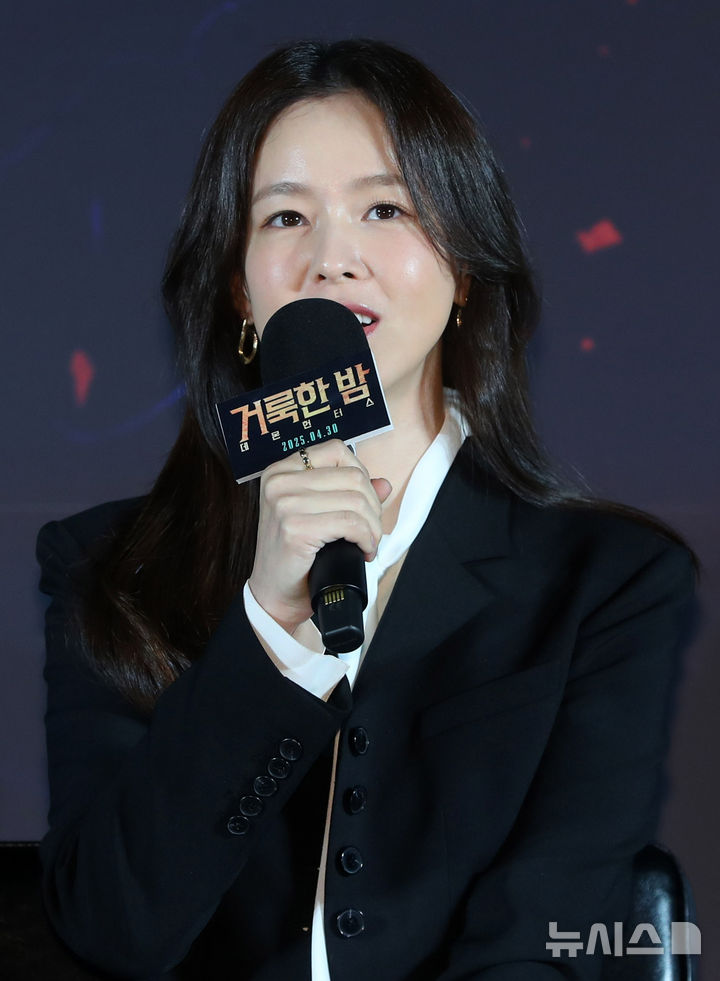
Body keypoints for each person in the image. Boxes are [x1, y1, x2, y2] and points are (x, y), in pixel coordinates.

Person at [36, 38, 695, 981]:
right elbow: (110, 928)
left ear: (464, 268)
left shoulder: (608, 582)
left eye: (385, 209)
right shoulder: (108, 564)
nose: (332, 260)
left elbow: (542, 935)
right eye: (285, 217)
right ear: (240, 290)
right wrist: (268, 630)